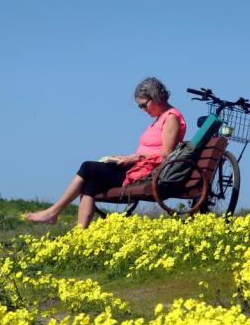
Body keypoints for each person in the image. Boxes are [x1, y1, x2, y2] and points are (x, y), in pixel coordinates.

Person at [24, 77, 186, 228]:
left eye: (144, 105)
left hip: (147, 172)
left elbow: (166, 154)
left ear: (156, 96)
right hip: (138, 166)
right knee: (91, 182)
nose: (143, 110)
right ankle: (80, 235)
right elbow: (152, 150)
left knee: (88, 168)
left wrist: (135, 157)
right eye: (140, 106)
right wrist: (125, 157)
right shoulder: (161, 118)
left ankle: (53, 212)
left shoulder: (171, 118)